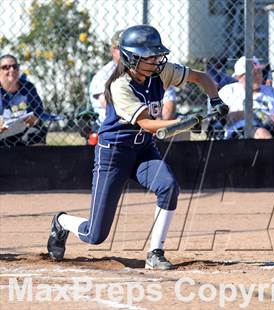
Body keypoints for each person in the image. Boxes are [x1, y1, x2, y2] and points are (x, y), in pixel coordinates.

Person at [46, 25, 228, 270]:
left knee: (168, 187)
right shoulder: (119, 86)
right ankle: (61, 221)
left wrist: (215, 100)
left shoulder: (161, 72)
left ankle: (155, 253)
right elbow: (148, 124)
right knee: (95, 235)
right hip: (114, 154)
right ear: (131, 57)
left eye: (156, 55)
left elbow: (201, 78)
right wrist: (188, 122)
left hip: (143, 150)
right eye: (149, 56)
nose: (156, 60)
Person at [89, 30, 178, 125]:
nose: (125, 51)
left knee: (180, 131)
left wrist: (162, 124)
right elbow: (110, 105)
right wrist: (152, 124)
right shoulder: (103, 75)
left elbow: (169, 98)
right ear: (112, 50)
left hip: (155, 123)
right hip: (117, 127)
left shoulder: (149, 67)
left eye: (129, 48)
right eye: (120, 48)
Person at [218, 56, 274, 139]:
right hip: (243, 130)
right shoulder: (229, 91)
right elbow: (219, 119)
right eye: (253, 74)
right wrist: (250, 115)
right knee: (262, 133)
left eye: (259, 72)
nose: (257, 76)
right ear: (239, 77)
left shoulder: (273, 92)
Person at [0, 54, 47, 147]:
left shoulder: (28, 87)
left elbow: (39, 112)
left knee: (39, 131)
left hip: (25, 130)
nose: (12, 70)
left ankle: (37, 161)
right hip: (3, 133)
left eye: (15, 66)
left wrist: (35, 120)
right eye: (6, 67)